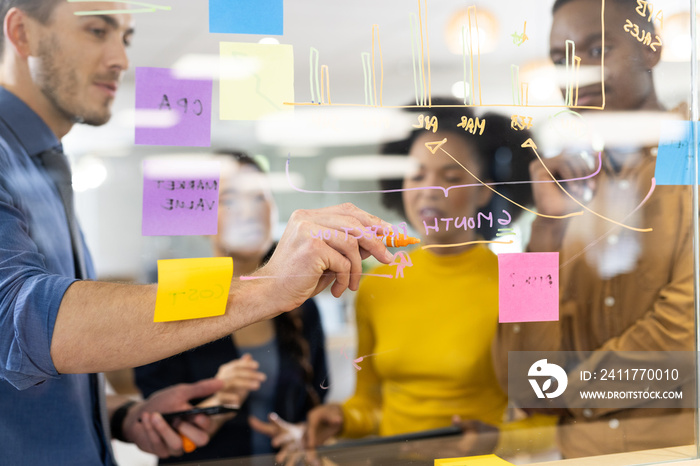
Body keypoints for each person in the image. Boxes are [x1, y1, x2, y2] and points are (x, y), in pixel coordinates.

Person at [0, 2, 394, 465]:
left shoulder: (43, 171)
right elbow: (23, 323)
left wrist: (125, 417)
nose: (121, 60)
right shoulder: (11, 160)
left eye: (124, 37)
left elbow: (37, 384)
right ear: (22, 33)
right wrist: (267, 288)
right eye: (96, 30)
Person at [254, 102, 556, 461]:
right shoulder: (377, 282)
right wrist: (342, 418)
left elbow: (552, 423)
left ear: (484, 191)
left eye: (450, 176)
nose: (429, 189)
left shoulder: (528, 282)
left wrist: (497, 439)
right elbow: (371, 403)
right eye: (416, 175)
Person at [492, 0, 695, 458]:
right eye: (562, 59)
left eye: (597, 48)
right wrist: (543, 230)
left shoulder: (692, 161)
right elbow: (516, 371)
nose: (576, 73)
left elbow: (685, 332)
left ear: (651, 49)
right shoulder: (574, 187)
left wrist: (562, 390)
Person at [135, 152, 329, 462]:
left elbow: (316, 405)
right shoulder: (175, 297)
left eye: (259, 197)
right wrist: (218, 402)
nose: (249, 212)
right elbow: (149, 421)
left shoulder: (300, 302)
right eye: (229, 199)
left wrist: (301, 434)